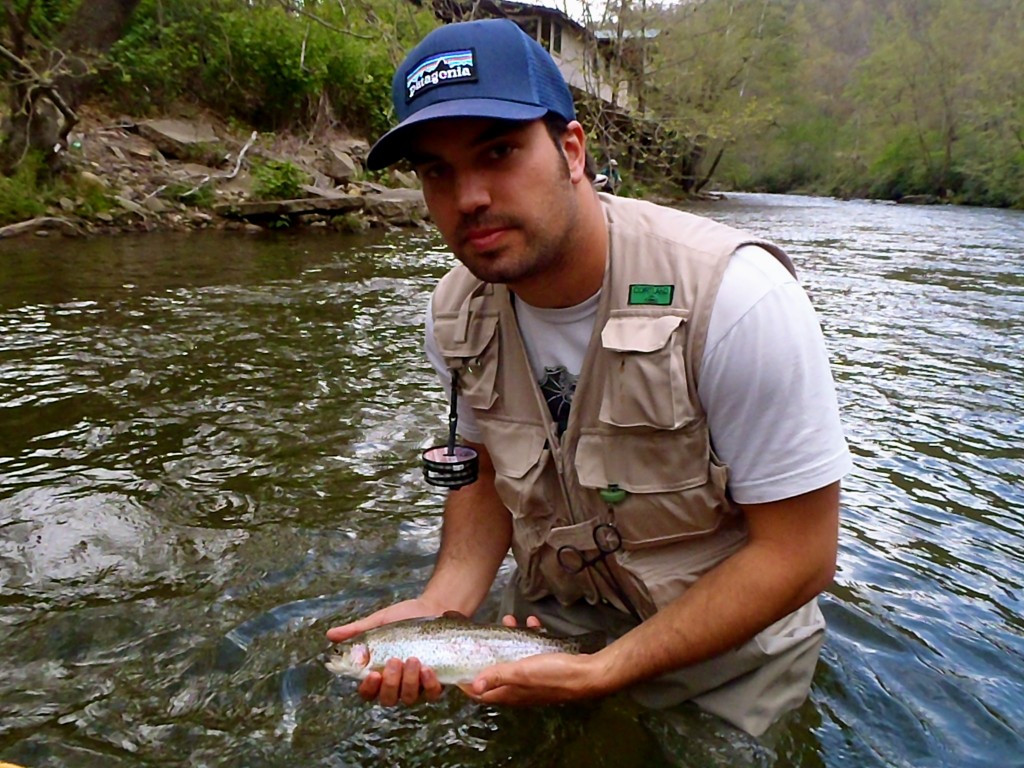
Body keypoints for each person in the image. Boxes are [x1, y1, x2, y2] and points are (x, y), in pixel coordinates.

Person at [326, 18, 851, 737]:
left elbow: (799, 554)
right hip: (554, 621)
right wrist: (443, 607)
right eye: (436, 171)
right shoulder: (452, 314)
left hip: (731, 654)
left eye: (499, 151)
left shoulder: (737, 298)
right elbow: (481, 476)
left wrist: (604, 671)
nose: (469, 195)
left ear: (572, 150)